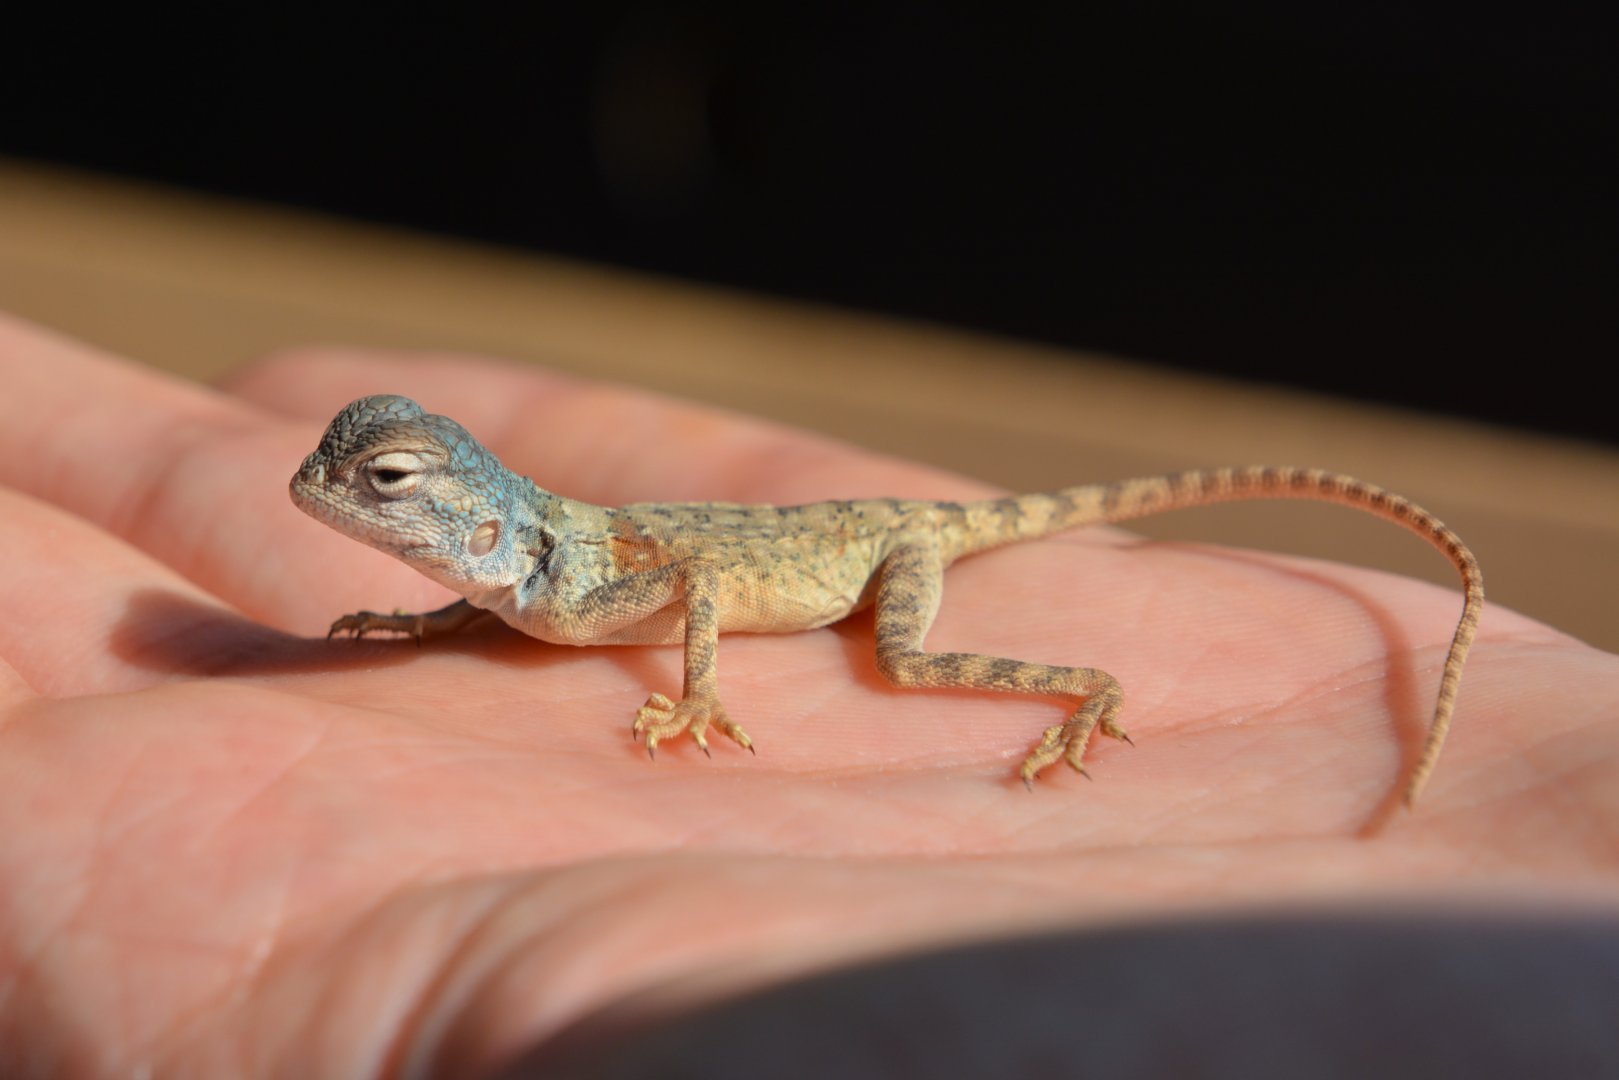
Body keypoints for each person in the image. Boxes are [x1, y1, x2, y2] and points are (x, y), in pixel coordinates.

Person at [1, 312, 1614, 1077]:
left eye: (395, 482)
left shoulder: (593, 574)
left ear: (474, 508)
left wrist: (692, 699)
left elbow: (698, 584)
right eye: (377, 478)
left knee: (902, 663)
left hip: (865, 553)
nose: (361, 498)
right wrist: (424, 626)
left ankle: (1086, 685)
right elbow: (522, 611)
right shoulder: (534, 574)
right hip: (732, 545)